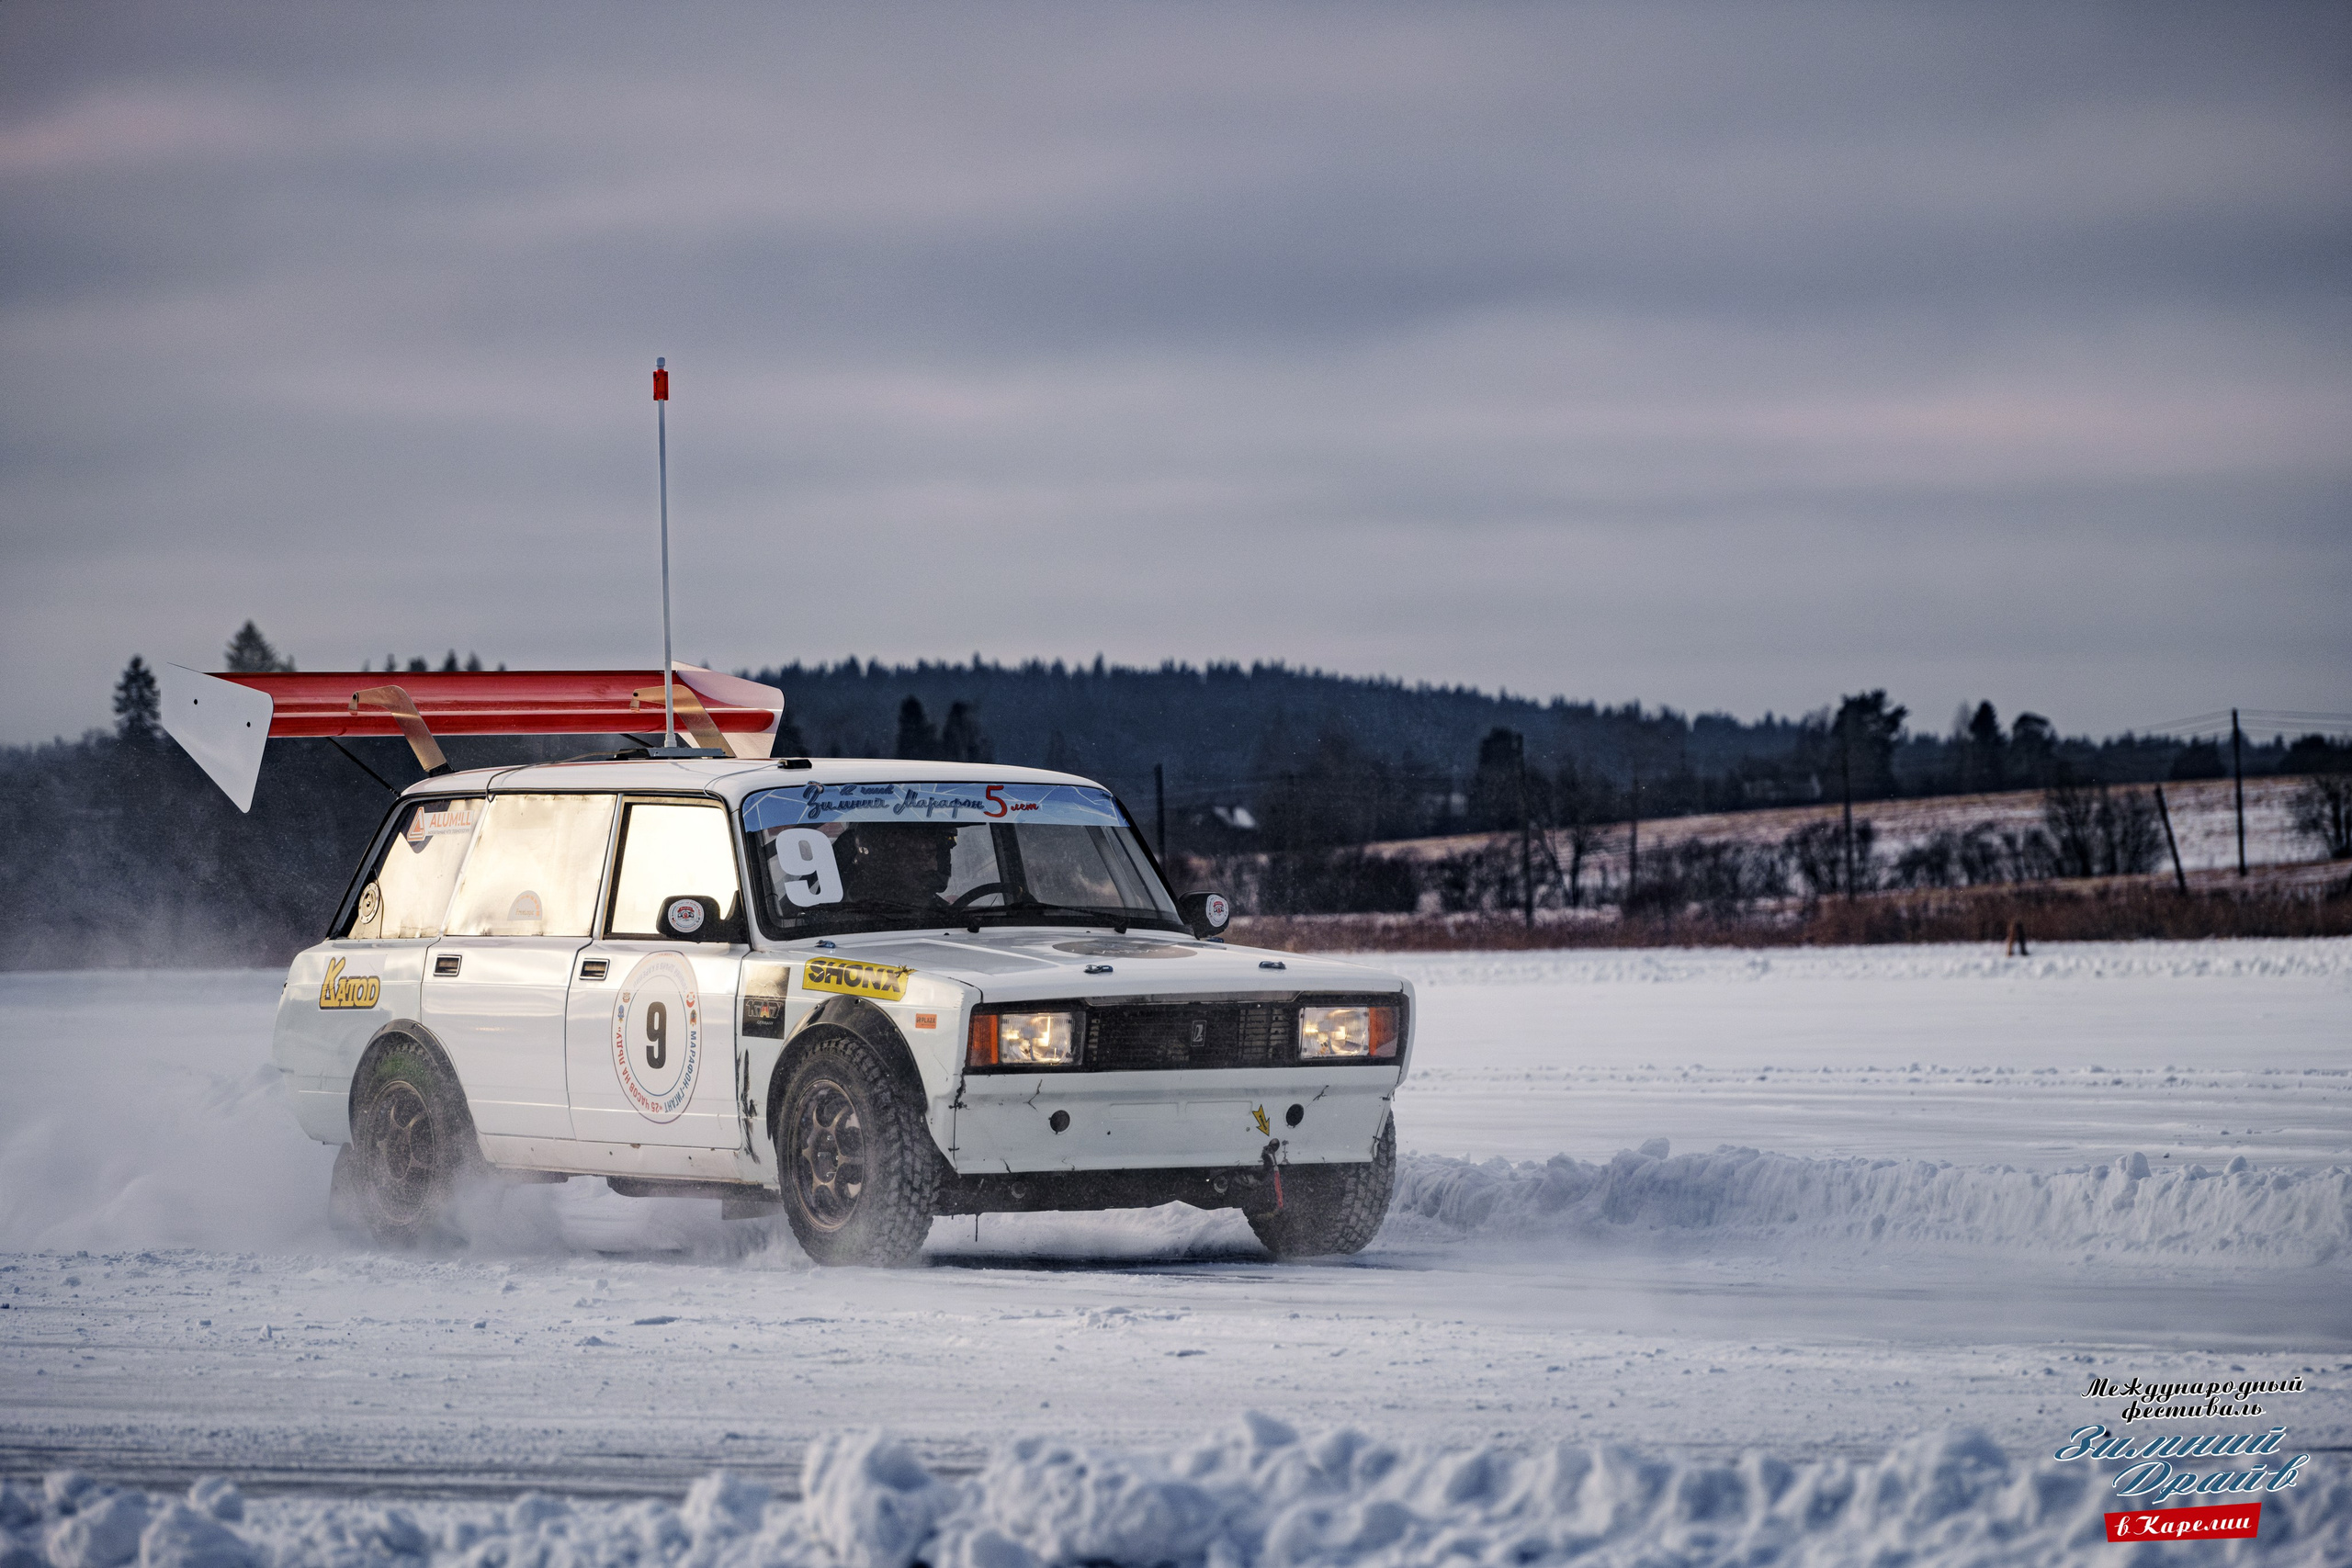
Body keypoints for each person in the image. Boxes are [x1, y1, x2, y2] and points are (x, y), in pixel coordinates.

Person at [831, 822, 959, 909]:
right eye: (919, 855)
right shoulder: (847, 915)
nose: (933, 865)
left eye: (935, 855)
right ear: (886, 856)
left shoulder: (944, 914)